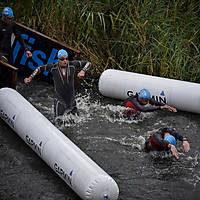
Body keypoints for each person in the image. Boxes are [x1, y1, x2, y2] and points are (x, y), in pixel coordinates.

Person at [24, 49, 91, 118]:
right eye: (62, 59)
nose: (65, 61)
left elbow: (88, 63)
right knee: (58, 121)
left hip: (71, 99)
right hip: (60, 100)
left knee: (78, 120)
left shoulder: (72, 65)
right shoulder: (53, 67)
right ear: (58, 59)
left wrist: (83, 71)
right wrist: (30, 77)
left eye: (66, 58)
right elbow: (39, 69)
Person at [0, 7, 32, 88]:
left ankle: (10, 89)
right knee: (3, 72)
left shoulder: (12, 25)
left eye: (12, 18)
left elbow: (19, 37)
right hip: (0, 53)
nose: (10, 20)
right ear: (3, 17)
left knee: (11, 72)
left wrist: (26, 49)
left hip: (8, 52)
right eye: (9, 18)